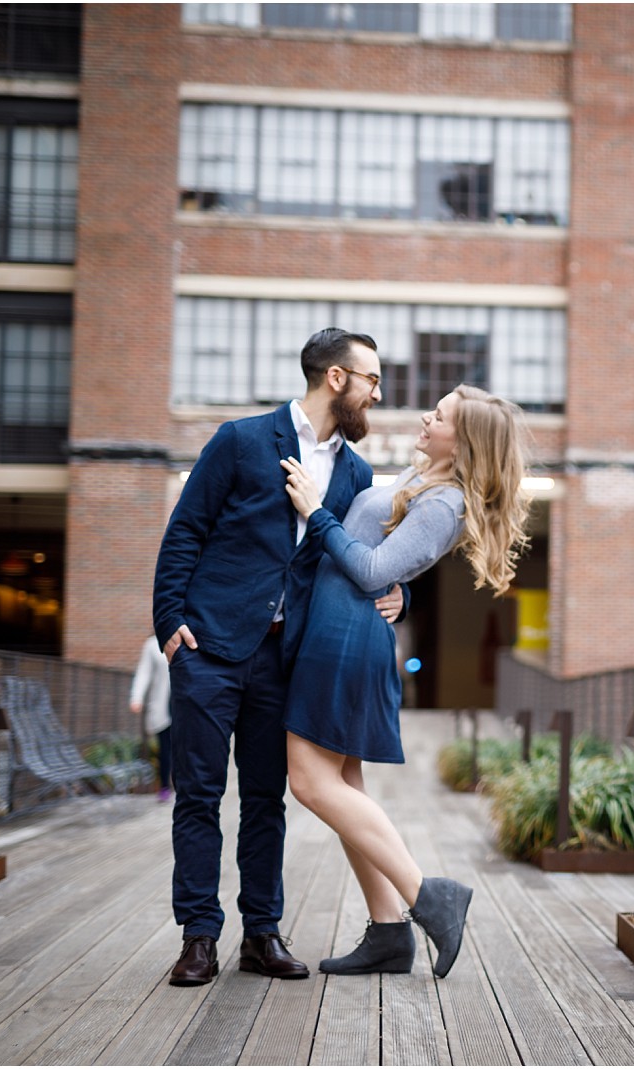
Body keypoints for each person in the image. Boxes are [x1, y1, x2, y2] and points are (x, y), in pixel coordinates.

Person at [151, 328, 404, 988]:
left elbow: (351, 558)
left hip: (285, 658)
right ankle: (198, 937)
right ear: (337, 379)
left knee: (266, 798)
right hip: (209, 649)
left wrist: (395, 587)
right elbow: (186, 531)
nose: (379, 391)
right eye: (372, 378)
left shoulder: (354, 472)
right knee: (199, 795)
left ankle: (261, 933)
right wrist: (170, 625)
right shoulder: (241, 440)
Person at [280, 384, 529, 979]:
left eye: (439, 415)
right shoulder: (426, 484)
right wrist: (403, 590)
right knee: (344, 787)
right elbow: (388, 565)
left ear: (462, 439)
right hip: (340, 632)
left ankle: (428, 896)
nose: (426, 416)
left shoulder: (445, 503)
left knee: (311, 783)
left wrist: (315, 512)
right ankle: (389, 931)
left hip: (344, 642)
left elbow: (369, 569)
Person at [128, 637, 172, 803]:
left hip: (187, 705)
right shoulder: (153, 644)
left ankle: (186, 787)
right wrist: (136, 697)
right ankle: (165, 788)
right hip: (163, 706)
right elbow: (144, 672)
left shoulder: (194, 636)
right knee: (165, 750)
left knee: (185, 748)